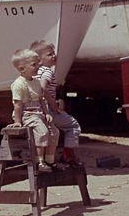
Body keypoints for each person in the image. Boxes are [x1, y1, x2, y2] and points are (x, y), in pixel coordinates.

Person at [31, 39, 82, 167]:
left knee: (51, 130)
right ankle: (68, 155)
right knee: (73, 126)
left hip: (35, 108)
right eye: (49, 54)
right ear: (40, 60)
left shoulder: (34, 72)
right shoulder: (47, 71)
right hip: (47, 108)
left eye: (53, 53)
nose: (54, 56)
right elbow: (43, 88)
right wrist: (53, 103)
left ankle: (43, 158)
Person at [9, 48, 60, 173]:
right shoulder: (19, 84)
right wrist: (18, 121)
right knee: (42, 132)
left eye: (38, 64)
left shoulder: (36, 82)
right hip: (27, 114)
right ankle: (39, 162)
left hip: (39, 113)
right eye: (34, 65)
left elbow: (42, 99)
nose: (38, 66)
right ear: (22, 69)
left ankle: (50, 160)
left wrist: (47, 113)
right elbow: (18, 105)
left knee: (54, 132)